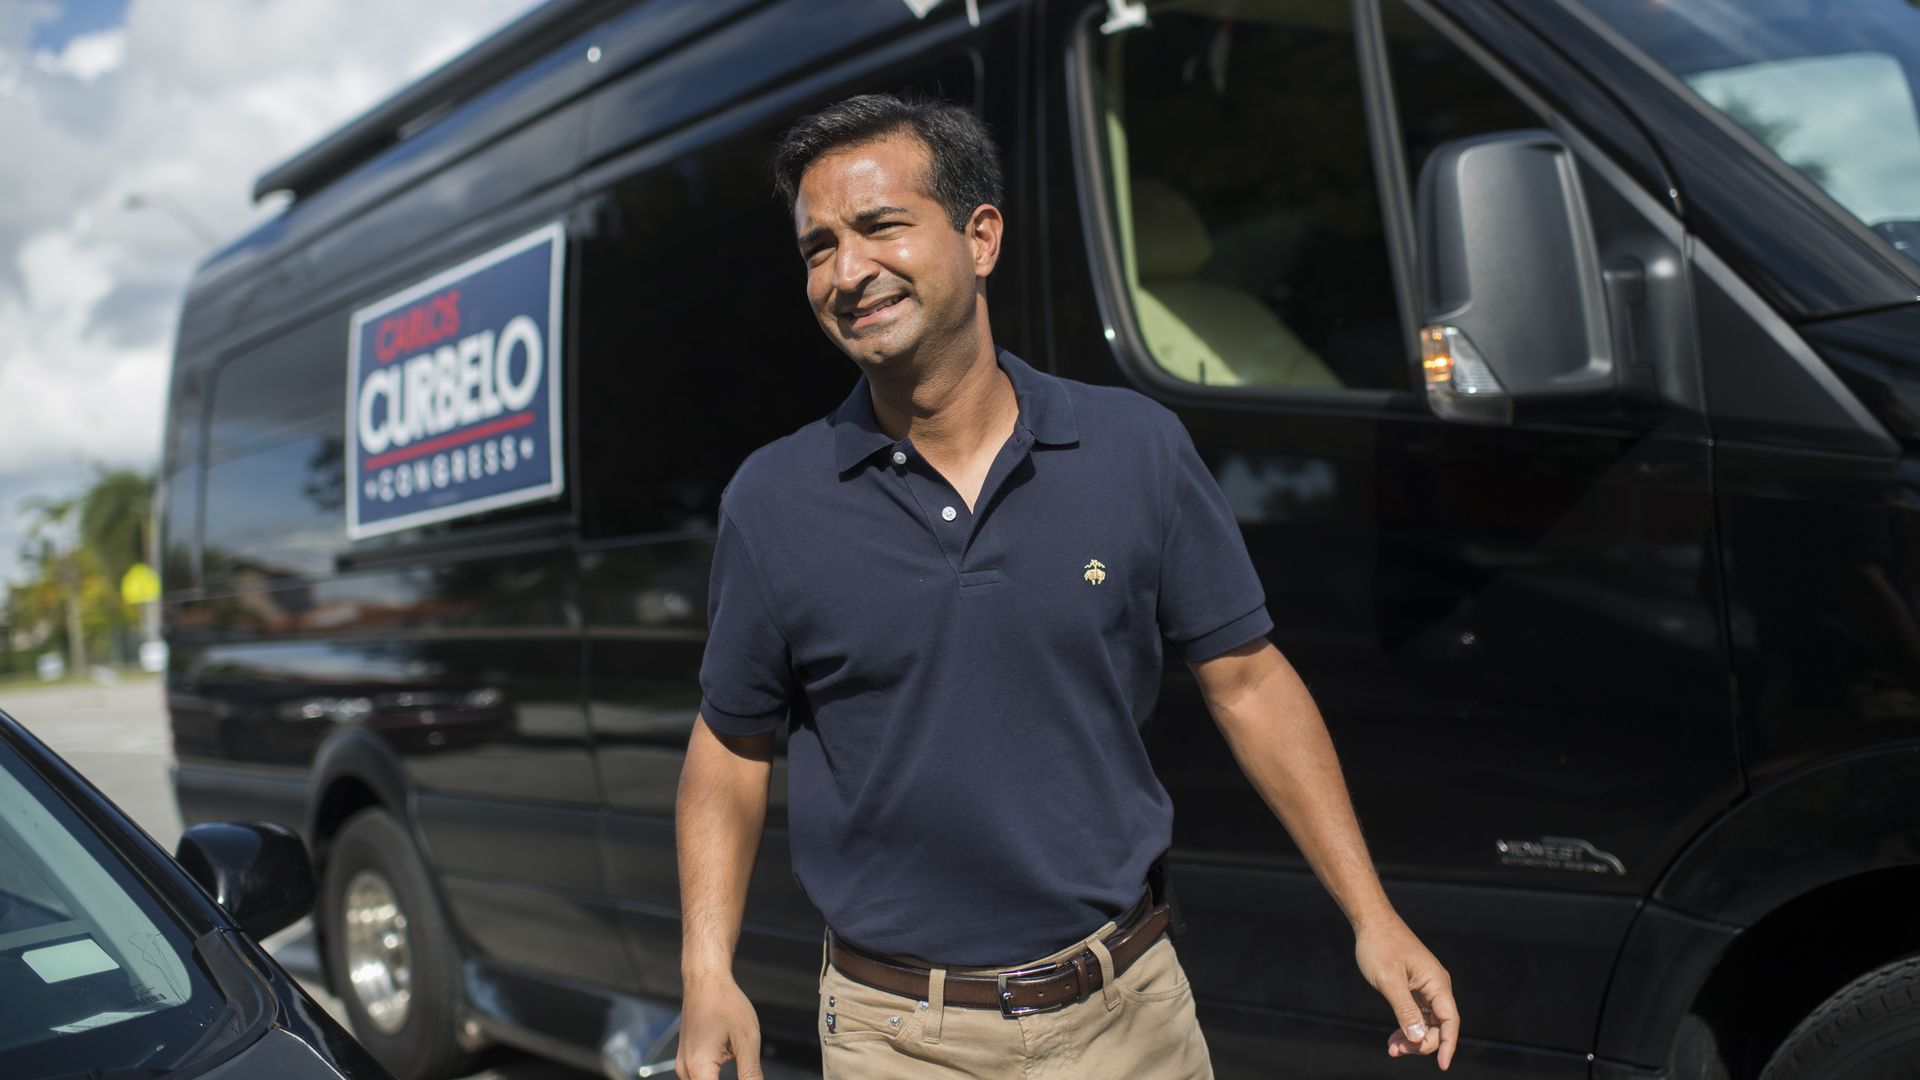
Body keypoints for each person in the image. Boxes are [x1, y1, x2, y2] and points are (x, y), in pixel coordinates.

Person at [674, 93, 1459, 1080]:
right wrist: (708, 973)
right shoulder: (775, 500)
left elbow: (1249, 683)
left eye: (880, 227)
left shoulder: (1135, 447)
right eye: (818, 247)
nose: (847, 271)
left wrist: (1373, 916)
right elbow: (729, 745)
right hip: (897, 1040)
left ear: (981, 236)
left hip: (1132, 1019)